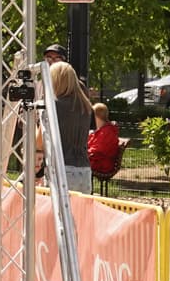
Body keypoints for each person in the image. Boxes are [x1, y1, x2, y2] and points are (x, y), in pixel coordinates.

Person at [39, 61, 92, 193]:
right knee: (80, 213)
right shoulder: (85, 107)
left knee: (56, 213)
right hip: (84, 170)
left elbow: (39, 141)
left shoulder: (53, 106)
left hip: (61, 170)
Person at [88, 102, 124, 185]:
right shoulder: (102, 130)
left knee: (73, 165)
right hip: (98, 161)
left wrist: (84, 154)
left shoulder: (106, 132)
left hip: (102, 164)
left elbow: (97, 151)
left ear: (96, 116)